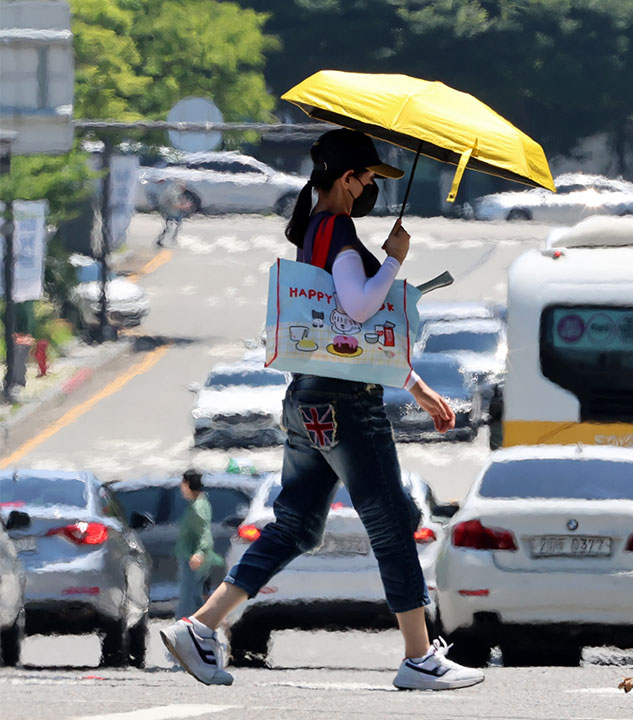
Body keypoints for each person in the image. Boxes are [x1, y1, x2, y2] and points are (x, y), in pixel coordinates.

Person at [160, 129, 484, 691]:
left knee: (297, 528)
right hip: (346, 406)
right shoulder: (337, 231)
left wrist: (415, 384)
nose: (369, 189)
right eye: (366, 178)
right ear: (344, 177)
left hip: (308, 399)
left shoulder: (314, 231)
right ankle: (419, 656)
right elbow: (359, 310)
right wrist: (392, 260)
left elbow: (339, 338)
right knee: (392, 524)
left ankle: (201, 624)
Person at [175, 469, 221, 620]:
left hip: (193, 561)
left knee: (189, 604)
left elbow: (204, 533)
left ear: (187, 484)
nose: (181, 488)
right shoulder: (199, 503)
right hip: (193, 560)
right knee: (199, 600)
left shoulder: (198, 507)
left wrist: (199, 553)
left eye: (182, 484)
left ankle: (183, 635)